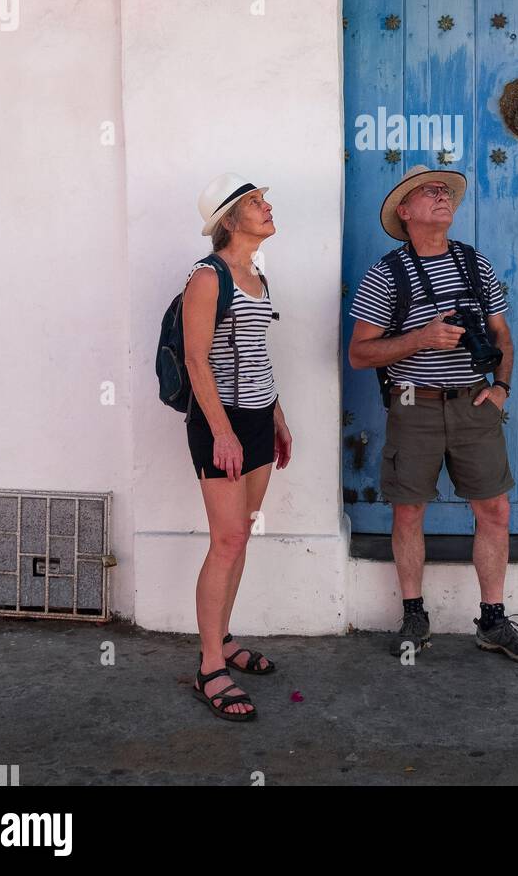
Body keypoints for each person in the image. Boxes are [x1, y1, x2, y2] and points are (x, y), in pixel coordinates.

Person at [347, 165, 518, 663]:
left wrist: (501, 387)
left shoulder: (476, 265)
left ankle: (493, 620)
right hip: (414, 406)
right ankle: (414, 612)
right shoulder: (386, 273)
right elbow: (359, 354)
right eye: (428, 192)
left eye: (445, 192)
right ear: (405, 212)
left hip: (475, 403)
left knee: (494, 511)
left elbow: (502, 336)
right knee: (409, 510)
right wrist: (422, 339)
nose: (441, 197)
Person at [183, 172, 292, 721]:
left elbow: (255, 353)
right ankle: (209, 668)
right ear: (230, 220)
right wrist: (223, 432)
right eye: (255, 202)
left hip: (255, 422)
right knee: (225, 541)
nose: (266, 206)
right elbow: (196, 360)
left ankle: (223, 639)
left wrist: (277, 416)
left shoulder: (256, 277)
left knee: (240, 536)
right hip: (218, 425)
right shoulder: (208, 277)